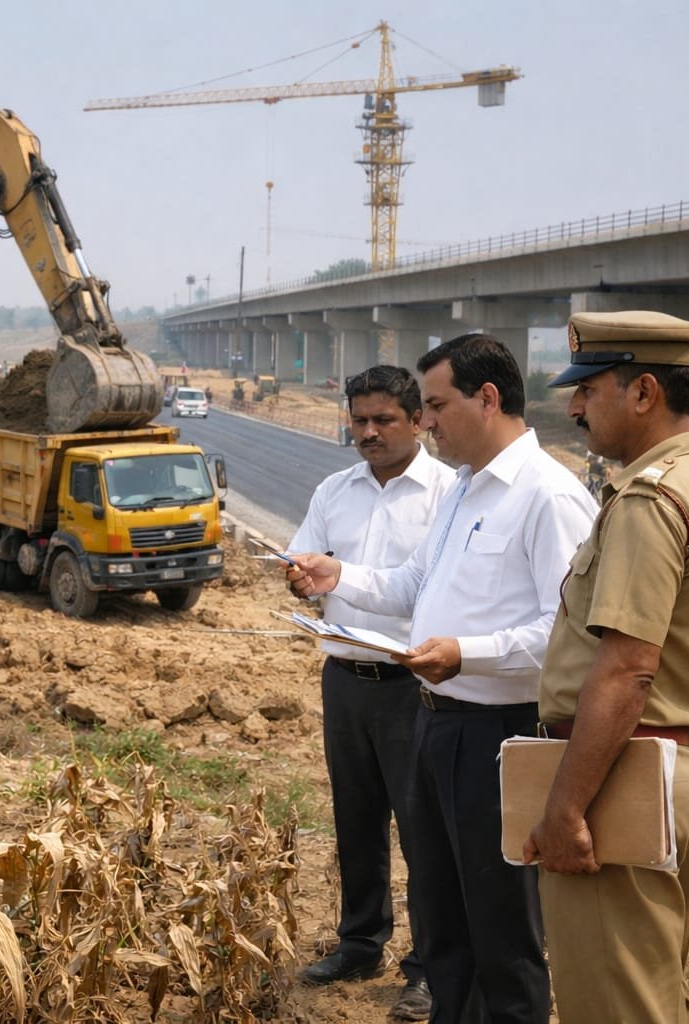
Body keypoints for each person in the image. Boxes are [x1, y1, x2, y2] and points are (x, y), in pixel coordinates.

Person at [287, 334, 598, 1023]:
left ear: (487, 400)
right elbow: (412, 584)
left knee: (501, 931)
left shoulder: (548, 497)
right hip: (436, 721)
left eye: (433, 406)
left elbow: (571, 636)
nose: (424, 423)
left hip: (500, 734)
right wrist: (340, 576)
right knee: (445, 919)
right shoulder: (464, 490)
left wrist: (468, 652)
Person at [527, 311, 689, 1021]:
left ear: (644, 392)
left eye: (587, 390)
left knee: (616, 1008)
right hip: (679, 761)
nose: (572, 407)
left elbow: (627, 669)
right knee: (651, 994)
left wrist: (565, 808)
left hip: (623, 778)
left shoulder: (649, 499)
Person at [288, 366, 454, 1021]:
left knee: (424, 831)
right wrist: (300, 578)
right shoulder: (336, 490)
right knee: (356, 821)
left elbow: (430, 584)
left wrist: (341, 578)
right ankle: (362, 943)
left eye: (383, 420)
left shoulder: (448, 493)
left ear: (417, 421)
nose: (368, 432)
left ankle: (429, 968)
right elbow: (303, 558)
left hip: (416, 687)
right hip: (346, 680)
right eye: (359, 420)